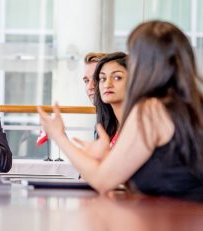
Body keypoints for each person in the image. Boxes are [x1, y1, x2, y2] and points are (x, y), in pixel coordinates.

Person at [38, 20, 203, 200]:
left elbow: (102, 180)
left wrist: (59, 137)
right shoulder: (192, 104)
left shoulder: (151, 110)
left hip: (173, 223)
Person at [93, 52, 128, 147]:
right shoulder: (112, 126)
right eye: (103, 78)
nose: (107, 85)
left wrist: (59, 137)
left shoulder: (135, 125)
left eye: (117, 77)